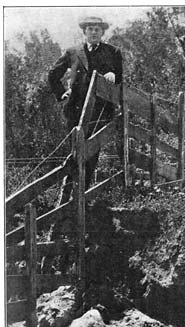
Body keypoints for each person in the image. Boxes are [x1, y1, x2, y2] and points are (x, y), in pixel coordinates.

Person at [48, 16, 123, 204]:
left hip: (99, 113)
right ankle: (67, 199)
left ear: (102, 32)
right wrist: (62, 94)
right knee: (75, 153)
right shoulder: (73, 52)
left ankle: (79, 198)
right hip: (75, 111)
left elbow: (121, 81)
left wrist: (113, 75)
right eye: (90, 29)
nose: (94, 32)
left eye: (97, 29)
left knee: (90, 155)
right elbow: (52, 74)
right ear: (85, 32)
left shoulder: (113, 52)